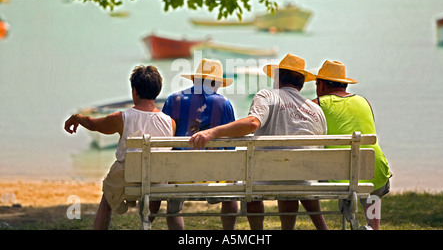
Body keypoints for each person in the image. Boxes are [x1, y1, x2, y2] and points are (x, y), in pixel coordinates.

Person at [190, 53, 329, 230]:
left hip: (266, 177)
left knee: (251, 183)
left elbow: (253, 123)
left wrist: (212, 132)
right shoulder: (316, 110)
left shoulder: (267, 96)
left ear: (277, 78)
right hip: (302, 179)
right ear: (301, 84)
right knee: (290, 177)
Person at [64, 65, 176, 230]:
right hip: (156, 179)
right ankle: (147, 224)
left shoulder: (122, 118)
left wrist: (75, 117)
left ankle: (114, 206)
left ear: (134, 91)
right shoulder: (170, 122)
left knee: (106, 201)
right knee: (155, 174)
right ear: (157, 92)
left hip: (127, 177)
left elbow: (92, 124)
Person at [312, 60, 391, 230]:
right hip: (375, 171)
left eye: (316, 83)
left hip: (340, 174)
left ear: (323, 85)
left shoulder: (316, 105)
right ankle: (373, 227)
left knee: (308, 177)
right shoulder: (364, 102)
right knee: (370, 184)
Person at [161, 58, 239, 230]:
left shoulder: (173, 100)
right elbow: (231, 147)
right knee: (232, 183)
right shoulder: (224, 104)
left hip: (179, 176)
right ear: (214, 82)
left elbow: (165, 139)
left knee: (173, 207)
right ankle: (229, 233)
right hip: (215, 176)